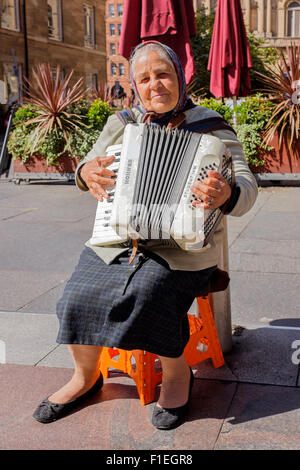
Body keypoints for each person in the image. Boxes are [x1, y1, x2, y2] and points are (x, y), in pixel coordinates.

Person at [33, 41, 258, 430]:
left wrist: (227, 193)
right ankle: (85, 378)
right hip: (117, 238)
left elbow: (247, 184)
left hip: (183, 248)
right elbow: (89, 165)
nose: (155, 85)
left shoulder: (212, 126)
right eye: (145, 78)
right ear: (135, 86)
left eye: (163, 74)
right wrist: (86, 173)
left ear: (179, 78)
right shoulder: (122, 124)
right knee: (75, 296)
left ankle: (177, 375)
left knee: (150, 296)